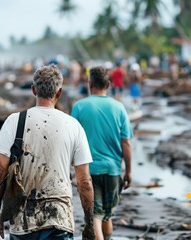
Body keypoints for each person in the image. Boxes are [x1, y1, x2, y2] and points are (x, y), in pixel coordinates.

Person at [0, 65, 95, 240]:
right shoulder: (73, 126)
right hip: (59, 219)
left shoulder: (14, 121)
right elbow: (84, 182)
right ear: (59, 93)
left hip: (22, 221)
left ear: (33, 90)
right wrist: (89, 223)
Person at [71, 67, 133, 240]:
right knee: (105, 214)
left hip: (87, 171)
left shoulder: (79, 107)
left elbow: (71, 141)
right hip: (112, 170)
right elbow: (126, 142)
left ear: (90, 84)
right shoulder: (119, 108)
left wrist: (69, 167)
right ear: (108, 84)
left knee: (95, 217)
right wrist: (128, 171)